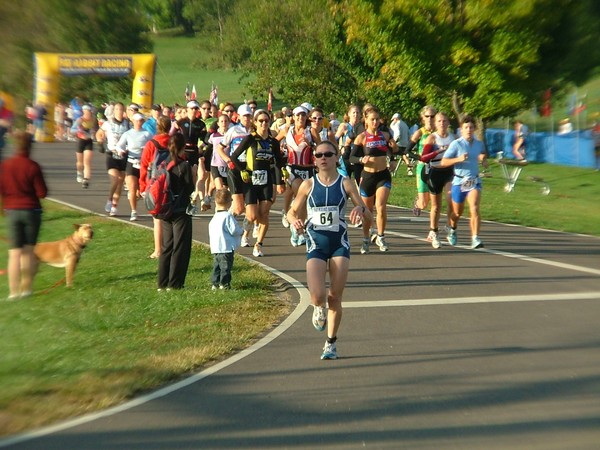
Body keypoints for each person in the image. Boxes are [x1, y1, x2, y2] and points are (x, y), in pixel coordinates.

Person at [286, 140, 371, 360]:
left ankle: (331, 343)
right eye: (318, 155)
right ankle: (317, 308)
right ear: (314, 160)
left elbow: (368, 213)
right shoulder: (308, 185)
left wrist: (360, 210)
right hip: (315, 245)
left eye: (327, 154)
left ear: (336, 158)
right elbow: (291, 212)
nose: (322, 158)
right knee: (317, 296)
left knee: (335, 296)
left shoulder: (346, 183)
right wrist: (294, 220)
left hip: (339, 244)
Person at [229, 109, 287, 257]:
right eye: (260, 121)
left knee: (264, 213)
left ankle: (258, 245)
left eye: (266, 121)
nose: (264, 123)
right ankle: (246, 232)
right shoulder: (250, 139)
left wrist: (283, 174)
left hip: (266, 180)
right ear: (255, 123)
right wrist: (242, 170)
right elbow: (234, 156)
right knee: (253, 215)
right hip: (251, 180)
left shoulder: (273, 142)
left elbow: (279, 161)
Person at [0, 131, 48, 299]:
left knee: (14, 253)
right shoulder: (33, 166)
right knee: (28, 252)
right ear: (29, 146)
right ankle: (26, 289)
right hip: (31, 211)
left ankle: (13, 292)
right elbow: (42, 193)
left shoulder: (5, 166)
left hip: (12, 211)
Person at [350, 106, 398, 253]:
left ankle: (381, 236)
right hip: (368, 176)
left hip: (383, 175)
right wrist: (360, 159)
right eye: (372, 119)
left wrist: (394, 155)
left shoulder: (385, 135)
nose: (375, 122)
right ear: (366, 120)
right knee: (368, 211)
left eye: (377, 119)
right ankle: (366, 239)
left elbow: (394, 150)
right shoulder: (362, 137)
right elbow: (351, 157)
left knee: (381, 206)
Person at [440, 115, 489, 249]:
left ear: (475, 129)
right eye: (466, 127)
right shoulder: (456, 144)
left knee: (474, 207)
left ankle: (475, 238)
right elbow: (444, 162)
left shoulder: (479, 144)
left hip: (474, 180)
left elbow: (482, 154)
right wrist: (458, 159)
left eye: (471, 127)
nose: (469, 130)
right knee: (457, 213)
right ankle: (452, 228)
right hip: (459, 181)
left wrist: (483, 160)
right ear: (461, 129)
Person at [157, 133, 195, 290]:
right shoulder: (184, 165)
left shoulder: (163, 163)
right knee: (180, 247)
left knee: (167, 246)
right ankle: (175, 283)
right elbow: (189, 188)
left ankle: (162, 283)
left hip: (164, 209)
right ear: (182, 147)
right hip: (180, 210)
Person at [419, 112, 456, 248]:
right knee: (436, 206)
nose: (442, 124)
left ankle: (450, 227)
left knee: (451, 198)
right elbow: (423, 158)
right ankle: (433, 232)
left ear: (448, 123)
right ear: (435, 123)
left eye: (445, 121)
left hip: (449, 172)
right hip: (434, 172)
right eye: (439, 121)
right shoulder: (432, 138)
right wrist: (438, 151)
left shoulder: (453, 138)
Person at [140, 116, 172, 259]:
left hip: (155, 183)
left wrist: (142, 186)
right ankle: (170, 246)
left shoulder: (151, 144)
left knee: (157, 217)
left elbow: (144, 166)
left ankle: (158, 249)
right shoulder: (173, 141)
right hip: (172, 180)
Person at [116, 113, 153, 221]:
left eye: (141, 120)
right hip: (131, 162)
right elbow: (119, 145)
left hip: (143, 164)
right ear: (133, 121)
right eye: (137, 120)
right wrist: (121, 151)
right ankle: (134, 211)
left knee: (143, 190)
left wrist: (146, 150)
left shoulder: (146, 134)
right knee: (132, 187)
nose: (139, 122)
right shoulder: (128, 134)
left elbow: (152, 145)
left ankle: (143, 201)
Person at [96, 102, 130, 216]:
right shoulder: (108, 123)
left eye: (121, 109)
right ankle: (110, 199)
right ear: (114, 111)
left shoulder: (128, 124)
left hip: (123, 155)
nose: (119, 112)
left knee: (120, 181)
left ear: (123, 111)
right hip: (112, 154)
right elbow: (99, 133)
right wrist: (100, 143)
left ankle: (115, 206)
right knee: (115, 179)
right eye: (117, 109)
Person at [208, 189, 243, 290]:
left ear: (215, 201)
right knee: (226, 267)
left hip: (216, 247)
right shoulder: (227, 216)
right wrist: (242, 230)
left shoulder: (215, 217)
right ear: (229, 202)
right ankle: (224, 284)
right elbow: (234, 230)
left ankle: (215, 283)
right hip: (226, 247)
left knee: (217, 266)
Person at [408, 105, 437, 216]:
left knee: (435, 200)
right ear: (423, 118)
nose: (430, 118)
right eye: (427, 116)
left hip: (437, 167)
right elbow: (407, 150)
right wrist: (421, 158)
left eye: (432, 116)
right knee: (424, 204)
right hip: (423, 168)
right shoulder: (419, 133)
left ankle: (434, 227)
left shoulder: (439, 132)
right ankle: (418, 202)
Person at [73, 104, 97, 189]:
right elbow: (73, 129)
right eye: (87, 112)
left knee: (87, 162)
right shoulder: (80, 120)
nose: (89, 113)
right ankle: (79, 172)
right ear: (83, 112)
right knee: (80, 162)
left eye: (90, 112)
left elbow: (95, 128)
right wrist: (80, 130)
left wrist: (93, 132)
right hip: (80, 141)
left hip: (89, 141)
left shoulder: (93, 119)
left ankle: (86, 180)